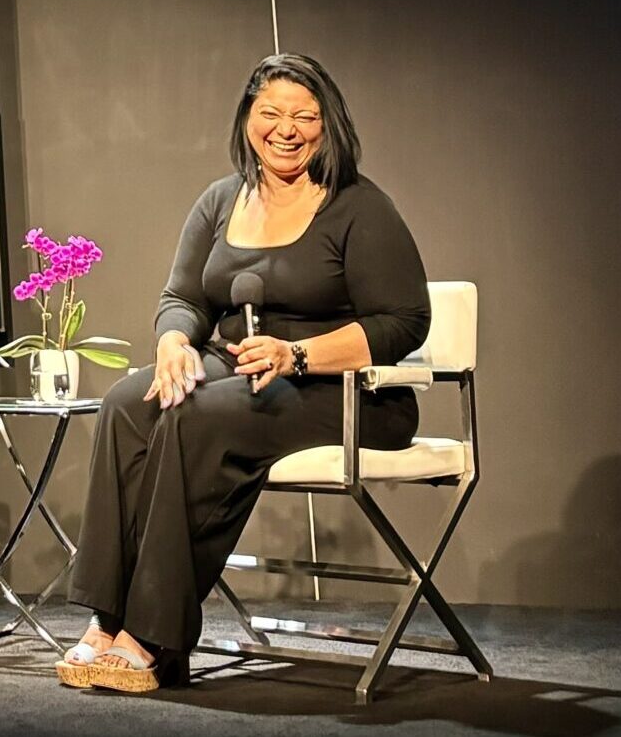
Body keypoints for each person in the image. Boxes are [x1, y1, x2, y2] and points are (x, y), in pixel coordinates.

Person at [61, 53, 432, 693]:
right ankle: (110, 616)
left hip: (339, 389)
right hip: (237, 370)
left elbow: (404, 321)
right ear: (248, 120)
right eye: (271, 114)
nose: (286, 129)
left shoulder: (358, 207)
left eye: (304, 116)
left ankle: (155, 635)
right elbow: (183, 297)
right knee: (128, 399)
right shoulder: (221, 199)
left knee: (201, 416)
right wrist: (175, 342)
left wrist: (300, 354)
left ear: (328, 125)